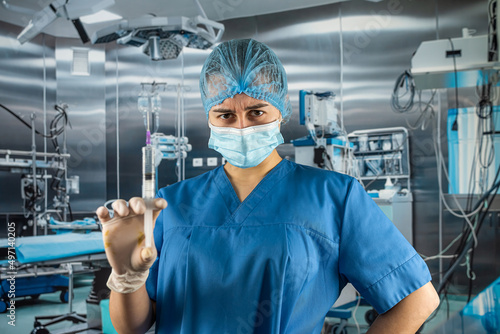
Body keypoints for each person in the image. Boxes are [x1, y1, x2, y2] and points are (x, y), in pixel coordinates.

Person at [97, 38, 439, 334]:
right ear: (209, 118)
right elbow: (134, 327)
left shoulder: (335, 197)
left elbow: (417, 299)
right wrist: (126, 278)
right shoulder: (172, 204)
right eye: (226, 115)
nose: (242, 126)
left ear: (280, 110)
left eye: (257, 112)